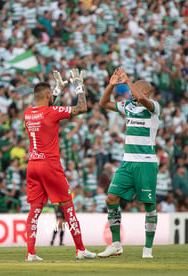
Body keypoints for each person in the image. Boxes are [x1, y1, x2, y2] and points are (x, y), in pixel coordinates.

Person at [24, 69, 95, 261]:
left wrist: (56, 89)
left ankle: (31, 253)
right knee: (67, 206)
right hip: (50, 165)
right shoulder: (52, 112)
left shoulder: (28, 114)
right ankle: (80, 249)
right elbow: (82, 108)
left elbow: (45, 106)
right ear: (48, 96)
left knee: (35, 210)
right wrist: (79, 87)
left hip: (32, 166)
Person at [98, 67, 160, 259]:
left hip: (146, 163)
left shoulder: (154, 107)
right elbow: (103, 103)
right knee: (110, 199)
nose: (130, 94)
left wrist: (127, 80)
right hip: (127, 162)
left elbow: (141, 99)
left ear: (145, 92)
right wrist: (111, 85)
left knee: (149, 204)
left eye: (133, 90)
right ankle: (116, 244)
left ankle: (147, 249)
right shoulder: (128, 107)